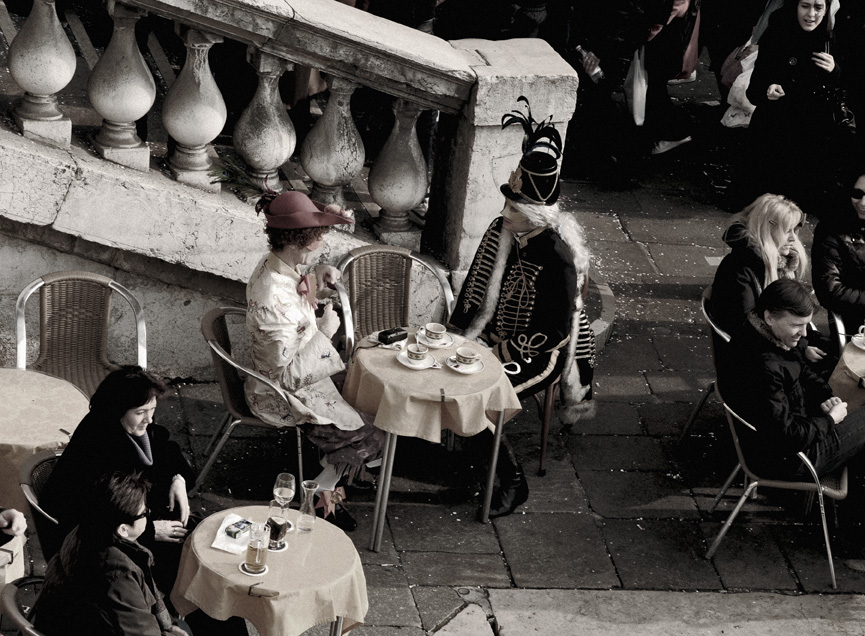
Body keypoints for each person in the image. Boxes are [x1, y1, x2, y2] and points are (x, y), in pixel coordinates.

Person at [448, 99, 595, 518]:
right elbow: (478, 290)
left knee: (480, 398)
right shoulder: (504, 232)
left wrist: (502, 354)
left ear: (533, 215)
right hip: (494, 340)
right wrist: (471, 339)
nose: (503, 213)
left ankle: (513, 483)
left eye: (513, 209)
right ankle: (476, 460)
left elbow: (555, 331)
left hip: (536, 356)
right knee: (452, 382)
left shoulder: (559, 258)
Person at [245, 190, 384, 531]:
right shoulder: (270, 298)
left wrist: (320, 273)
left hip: (306, 374)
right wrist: (324, 331)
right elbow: (286, 375)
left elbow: (297, 288)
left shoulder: (277, 263)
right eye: (320, 236)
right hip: (280, 392)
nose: (324, 240)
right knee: (373, 425)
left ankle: (330, 476)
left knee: (375, 397)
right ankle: (322, 494)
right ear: (303, 241)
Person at [716, 279, 865, 570]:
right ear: (770, 316)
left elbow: (801, 370)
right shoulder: (764, 365)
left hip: (783, 438)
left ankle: (852, 533)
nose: (803, 333)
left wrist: (826, 396)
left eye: (807, 324)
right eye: (797, 325)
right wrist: (828, 419)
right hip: (790, 459)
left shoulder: (763, 335)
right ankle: (855, 544)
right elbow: (787, 436)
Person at [40, 367, 195, 585]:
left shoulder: (135, 427)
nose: (149, 420)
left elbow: (166, 448)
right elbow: (97, 515)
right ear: (117, 410)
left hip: (137, 517)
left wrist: (177, 478)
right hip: (99, 541)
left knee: (200, 547)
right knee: (188, 567)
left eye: (152, 409)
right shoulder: (99, 450)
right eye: (140, 412)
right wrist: (151, 530)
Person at [33, 472, 190, 636]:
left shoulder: (83, 530)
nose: (148, 516)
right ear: (123, 529)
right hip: (82, 627)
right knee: (185, 629)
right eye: (144, 514)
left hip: (63, 620)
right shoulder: (120, 576)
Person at [740, 0, 844, 215]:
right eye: (805, 6)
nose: (811, 14)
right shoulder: (778, 34)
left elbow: (846, 92)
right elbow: (754, 90)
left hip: (810, 142)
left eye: (818, 7)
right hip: (774, 136)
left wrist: (835, 71)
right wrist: (769, 89)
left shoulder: (832, 39)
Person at [812, 169, 865, 349]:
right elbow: (829, 291)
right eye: (857, 194)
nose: (863, 203)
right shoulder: (831, 229)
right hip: (856, 324)